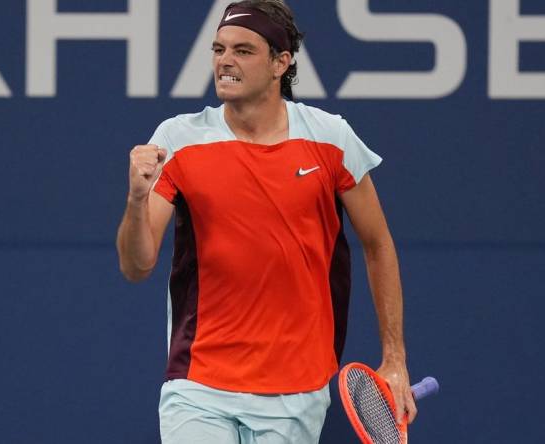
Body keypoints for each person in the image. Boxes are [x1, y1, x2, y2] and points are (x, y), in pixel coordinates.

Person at [116, 1, 416, 442]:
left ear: (281, 63)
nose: (225, 61)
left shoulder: (330, 138)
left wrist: (394, 358)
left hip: (296, 391)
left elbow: (378, 244)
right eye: (218, 49)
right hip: (200, 384)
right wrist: (137, 199)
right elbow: (136, 266)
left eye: (243, 50)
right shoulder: (178, 140)